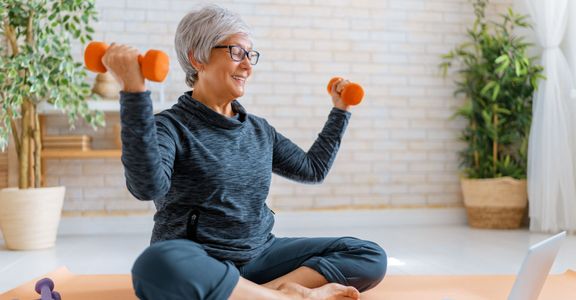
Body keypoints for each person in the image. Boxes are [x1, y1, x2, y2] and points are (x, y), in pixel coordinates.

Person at [102, 4, 386, 300]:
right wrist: (134, 92)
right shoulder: (169, 127)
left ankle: (259, 293)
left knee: (369, 254)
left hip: (261, 256)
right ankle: (284, 296)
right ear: (197, 58)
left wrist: (340, 110)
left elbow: (312, 169)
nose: (248, 65)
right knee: (156, 264)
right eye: (237, 52)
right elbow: (146, 187)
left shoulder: (259, 130)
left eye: (251, 55)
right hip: (200, 260)